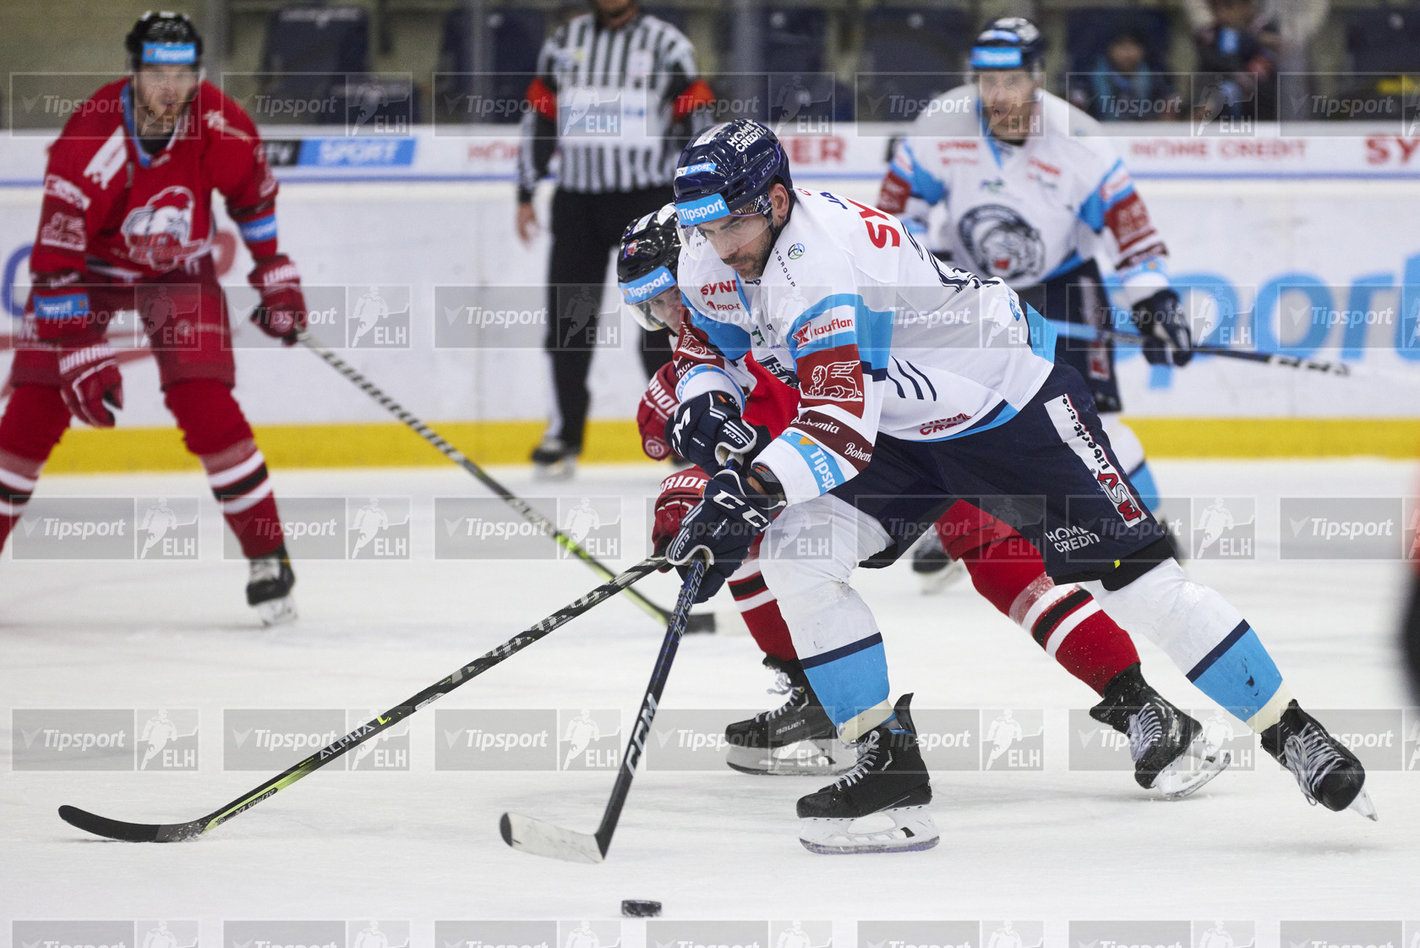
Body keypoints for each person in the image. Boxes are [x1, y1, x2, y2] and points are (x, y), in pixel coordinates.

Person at [663, 118, 1373, 855]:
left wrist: (749, 489)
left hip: (1009, 404)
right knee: (797, 553)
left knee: (1142, 584)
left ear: (777, 201)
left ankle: (1294, 733)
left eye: (734, 226)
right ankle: (889, 767)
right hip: (907, 429)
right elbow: (703, 342)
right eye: (703, 228)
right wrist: (704, 400)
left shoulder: (822, 267)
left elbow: (839, 429)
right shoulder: (706, 248)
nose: (722, 246)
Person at [618, 203, 1230, 796]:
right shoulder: (700, 352)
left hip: (907, 442)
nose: (669, 316)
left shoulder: (780, 299)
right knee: (771, 549)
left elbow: (797, 427)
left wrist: (703, 483)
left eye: (668, 295)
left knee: (1002, 561)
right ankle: (813, 697)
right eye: (650, 312)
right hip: (848, 467)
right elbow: (689, 429)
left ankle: (1138, 703)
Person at [0, 12, 306, 625]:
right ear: (133, 72)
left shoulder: (223, 126)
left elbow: (252, 196)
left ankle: (268, 553)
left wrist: (273, 270)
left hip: (178, 273)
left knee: (206, 402)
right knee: (32, 413)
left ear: (197, 74)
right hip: (88, 271)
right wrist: (83, 352)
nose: (170, 87)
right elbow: (55, 265)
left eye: (183, 73)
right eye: (156, 72)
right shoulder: (89, 141)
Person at [877, 18, 1191, 538]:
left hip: (1065, 287)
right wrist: (921, 278)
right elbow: (890, 223)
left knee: (1092, 422)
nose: (998, 96)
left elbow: (1131, 235)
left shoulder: (1082, 142)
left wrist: (1155, 301)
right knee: (958, 411)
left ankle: (1142, 525)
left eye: (1013, 81)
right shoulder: (938, 128)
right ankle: (978, 526)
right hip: (970, 293)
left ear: (1038, 77)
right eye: (986, 80)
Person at [515, 0, 715, 478]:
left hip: (645, 199)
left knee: (664, 320)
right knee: (570, 320)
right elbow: (539, 118)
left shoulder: (668, 45)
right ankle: (564, 433)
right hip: (577, 200)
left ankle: (681, 427)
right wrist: (525, 188)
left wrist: (697, 191)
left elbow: (698, 115)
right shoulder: (564, 43)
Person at [1067, 26, 1181, 122]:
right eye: (1121, 46)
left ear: (1143, 50)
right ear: (1110, 49)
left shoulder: (1156, 78)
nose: (1127, 53)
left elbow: (1171, 108)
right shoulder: (1090, 78)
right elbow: (1078, 114)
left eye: (1133, 46)